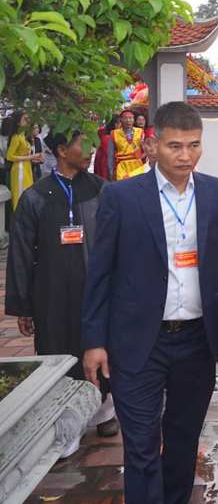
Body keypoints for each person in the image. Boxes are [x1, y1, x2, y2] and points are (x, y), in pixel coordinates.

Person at [81, 102, 218, 504]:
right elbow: (99, 271)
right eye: (175, 146)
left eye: (193, 146)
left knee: (183, 441)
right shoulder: (121, 197)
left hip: (196, 340)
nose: (185, 156)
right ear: (153, 145)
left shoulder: (216, 193)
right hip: (137, 341)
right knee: (140, 446)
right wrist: (94, 340)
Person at [6, 131, 119, 450]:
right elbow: (21, 252)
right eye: (82, 144)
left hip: (95, 291)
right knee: (59, 351)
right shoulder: (36, 197)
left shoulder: (101, 190)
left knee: (101, 347)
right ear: (61, 150)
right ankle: (64, 421)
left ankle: (104, 412)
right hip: (51, 294)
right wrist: (23, 304)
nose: (90, 150)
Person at [5, 110, 39, 207]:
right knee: (20, 197)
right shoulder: (16, 137)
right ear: (18, 122)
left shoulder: (23, 135)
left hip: (27, 168)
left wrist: (33, 159)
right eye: (25, 119)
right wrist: (30, 157)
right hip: (19, 170)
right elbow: (9, 156)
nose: (28, 121)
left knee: (28, 195)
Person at [107, 109, 145, 181]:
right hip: (122, 166)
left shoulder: (140, 132)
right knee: (123, 188)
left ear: (134, 120)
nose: (128, 121)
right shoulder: (114, 133)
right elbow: (110, 154)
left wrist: (140, 156)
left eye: (130, 118)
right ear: (121, 120)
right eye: (125, 118)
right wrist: (111, 171)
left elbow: (147, 150)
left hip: (137, 166)